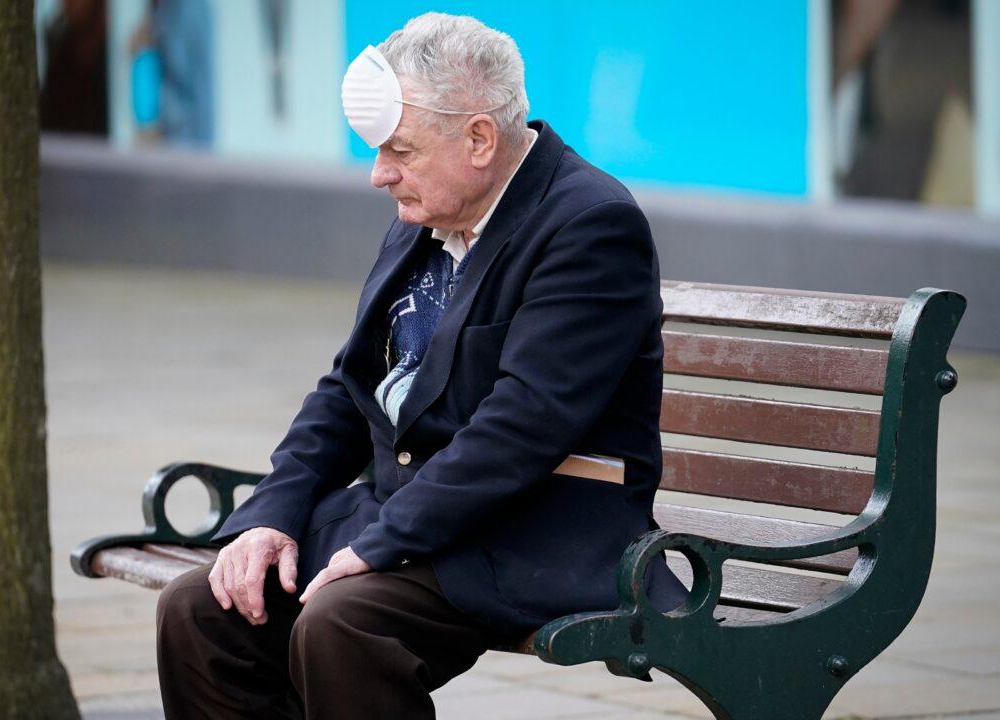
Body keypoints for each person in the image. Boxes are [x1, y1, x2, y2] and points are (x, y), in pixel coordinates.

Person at [156, 13, 686, 719]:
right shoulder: (429, 211)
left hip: (532, 534)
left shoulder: (590, 224)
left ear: (478, 138)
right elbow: (349, 392)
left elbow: (522, 428)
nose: (380, 175)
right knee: (201, 608)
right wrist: (271, 518)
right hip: (420, 518)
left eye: (399, 150)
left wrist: (381, 543)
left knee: (343, 624)